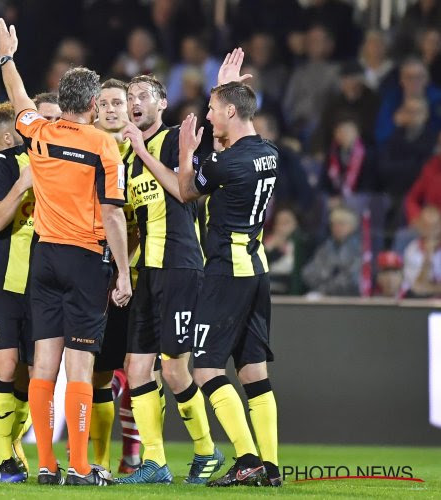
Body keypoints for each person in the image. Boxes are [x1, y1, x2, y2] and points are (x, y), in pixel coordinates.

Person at [0, 18, 131, 486]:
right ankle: (78, 465)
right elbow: (114, 216)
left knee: (43, 364)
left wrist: (7, 58)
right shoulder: (104, 145)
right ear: (94, 105)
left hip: (44, 255)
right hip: (86, 260)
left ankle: (48, 466)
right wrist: (126, 276)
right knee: (81, 363)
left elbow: (19, 102)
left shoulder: (40, 132)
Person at [176, 49, 282, 487]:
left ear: (232, 112)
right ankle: (270, 467)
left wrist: (186, 151)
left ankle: (246, 458)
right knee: (254, 371)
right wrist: (228, 86)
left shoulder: (223, 162)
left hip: (227, 272)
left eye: (214, 110)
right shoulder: (269, 153)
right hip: (257, 268)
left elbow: (186, 190)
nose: (207, 117)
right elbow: (238, 133)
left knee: (204, 368)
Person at [113, 73, 220, 485]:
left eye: (143, 96)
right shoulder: (125, 155)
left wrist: (142, 150)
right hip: (148, 271)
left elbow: (184, 190)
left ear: (161, 104)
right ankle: (154, 463)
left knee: (175, 371)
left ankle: (207, 451)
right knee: (137, 368)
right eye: (130, 97)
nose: (135, 101)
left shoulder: (177, 138)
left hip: (180, 264)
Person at [0, 101, 36, 483]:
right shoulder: (2, 164)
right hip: (2, 282)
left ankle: (13, 447)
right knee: (4, 365)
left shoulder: (55, 160)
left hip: (41, 284)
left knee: (29, 376)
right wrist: (24, 183)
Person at [91, 78, 141, 475]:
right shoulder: (85, 148)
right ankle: (102, 459)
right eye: (104, 103)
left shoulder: (142, 151)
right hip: (96, 274)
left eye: (118, 103)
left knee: (143, 365)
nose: (111, 109)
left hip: (141, 273)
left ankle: (139, 453)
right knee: (103, 370)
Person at [301, 206, 362, 297]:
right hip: (322, 296)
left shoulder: (360, 249)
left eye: (341, 224)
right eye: (333, 224)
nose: (336, 228)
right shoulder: (325, 247)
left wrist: (325, 285)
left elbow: (353, 279)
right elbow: (307, 273)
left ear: (352, 226)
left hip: (350, 298)